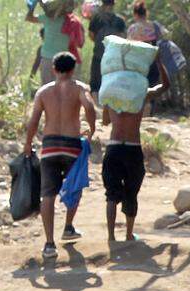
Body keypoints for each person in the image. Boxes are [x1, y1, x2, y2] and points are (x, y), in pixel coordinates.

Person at [23, 51, 97, 260]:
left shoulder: (43, 92)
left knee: (48, 194)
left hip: (50, 146)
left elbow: (34, 121)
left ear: (54, 69)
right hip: (72, 145)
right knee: (75, 185)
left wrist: (27, 143)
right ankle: (68, 227)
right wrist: (91, 128)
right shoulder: (80, 88)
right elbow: (89, 106)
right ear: (73, 69)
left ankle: (49, 244)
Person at [100, 59, 168, 243]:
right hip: (133, 149)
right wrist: (158, 62)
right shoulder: (141, 93)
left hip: (114, 148)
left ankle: (111, 237)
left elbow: (105, 122)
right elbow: (165, 86)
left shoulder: (110, 95)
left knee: (111, 195)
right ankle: (129, 235)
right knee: (131, 192)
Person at [26, 0, 73, 85]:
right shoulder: (68, 20)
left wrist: (32, 6)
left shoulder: (47, 18)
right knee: (62, 88)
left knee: (47, 87)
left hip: (48, 58)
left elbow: (29, 18)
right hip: (63, 59)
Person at [88, 0, 128, 98]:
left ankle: (96, 105)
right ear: (113, 4)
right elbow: (124, 37)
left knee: (95, 84)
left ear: (102, 4)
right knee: (113, 82)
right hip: (115, 57)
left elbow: (91, 35)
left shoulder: (96, 19)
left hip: (98, 55)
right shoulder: (120, 20)